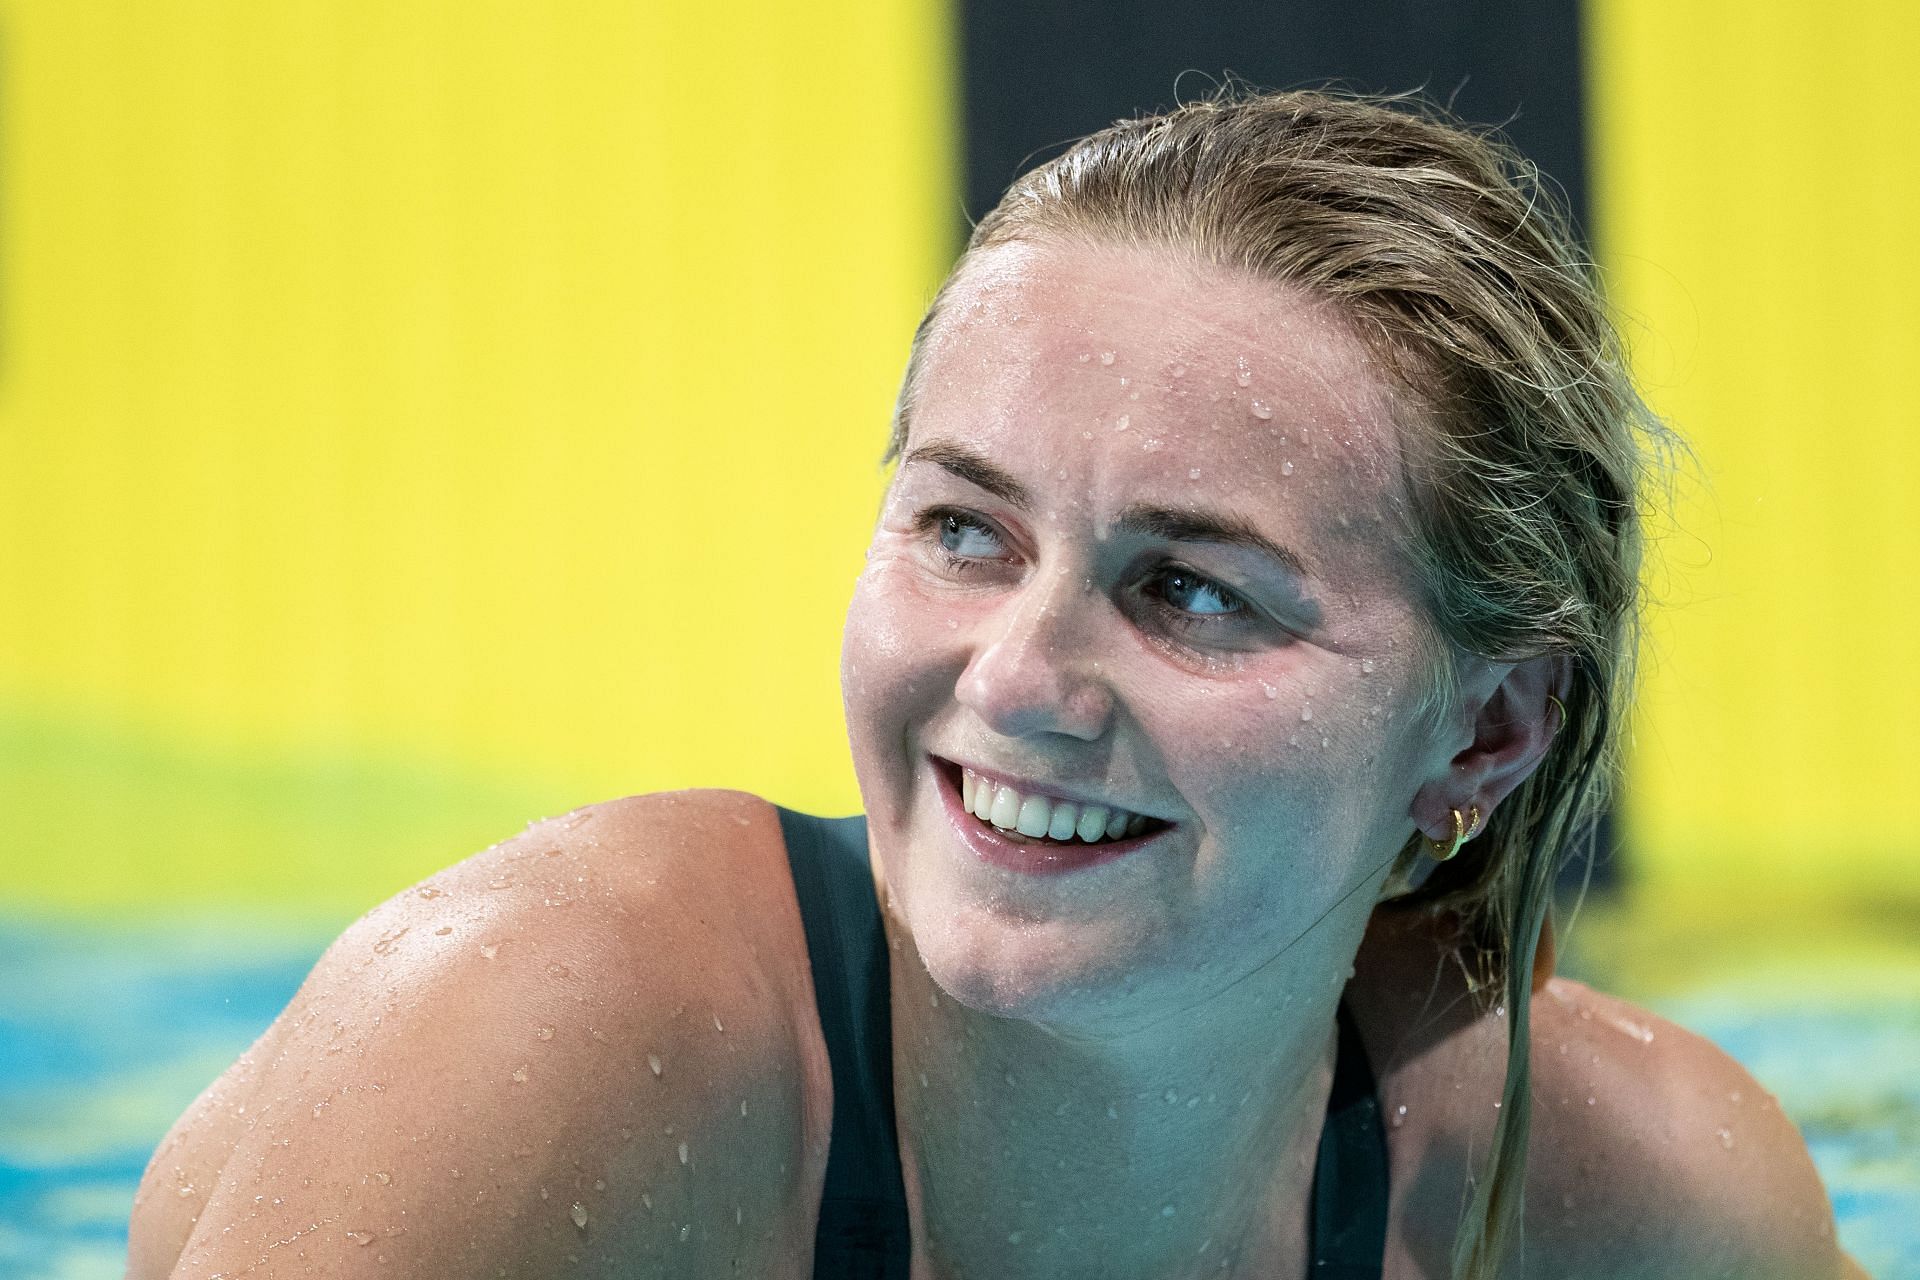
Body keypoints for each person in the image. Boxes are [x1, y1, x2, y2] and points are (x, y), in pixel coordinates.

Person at [127, 88, 1865, 1280]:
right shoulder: (555, 1043)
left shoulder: (1623, 1204)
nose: (1021, 676)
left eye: (1190, 589)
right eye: (965, 530)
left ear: (1484, 731)